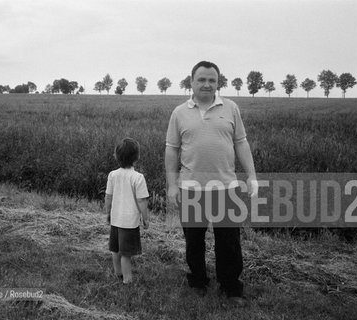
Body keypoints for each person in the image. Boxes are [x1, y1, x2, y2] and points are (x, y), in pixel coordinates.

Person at [165, 61, 258, 305]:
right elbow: (172, 150)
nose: (207, 84)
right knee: (193, 241)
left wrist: (252, 175)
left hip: (226, 188)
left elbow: (241, 143)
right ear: (192, 82)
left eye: (212, 80)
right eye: (202, 80)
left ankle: (231, 287)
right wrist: (172, 185)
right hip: (190, 188)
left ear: (218, 83)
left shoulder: (230, 108)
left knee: (229, 242)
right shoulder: (179, 113)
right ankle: (198, 281)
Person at [105, 137, 150, 284]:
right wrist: (145, 218)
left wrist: (108, 213)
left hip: (116, 219)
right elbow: (142, 201)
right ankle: (127, 280)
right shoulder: (138, 178)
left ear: (116, 156)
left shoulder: (113, 175)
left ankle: (118, 273)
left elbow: (108, 197)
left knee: (115, 250)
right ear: (136, 157)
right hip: (129, 222)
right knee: (126, 254)